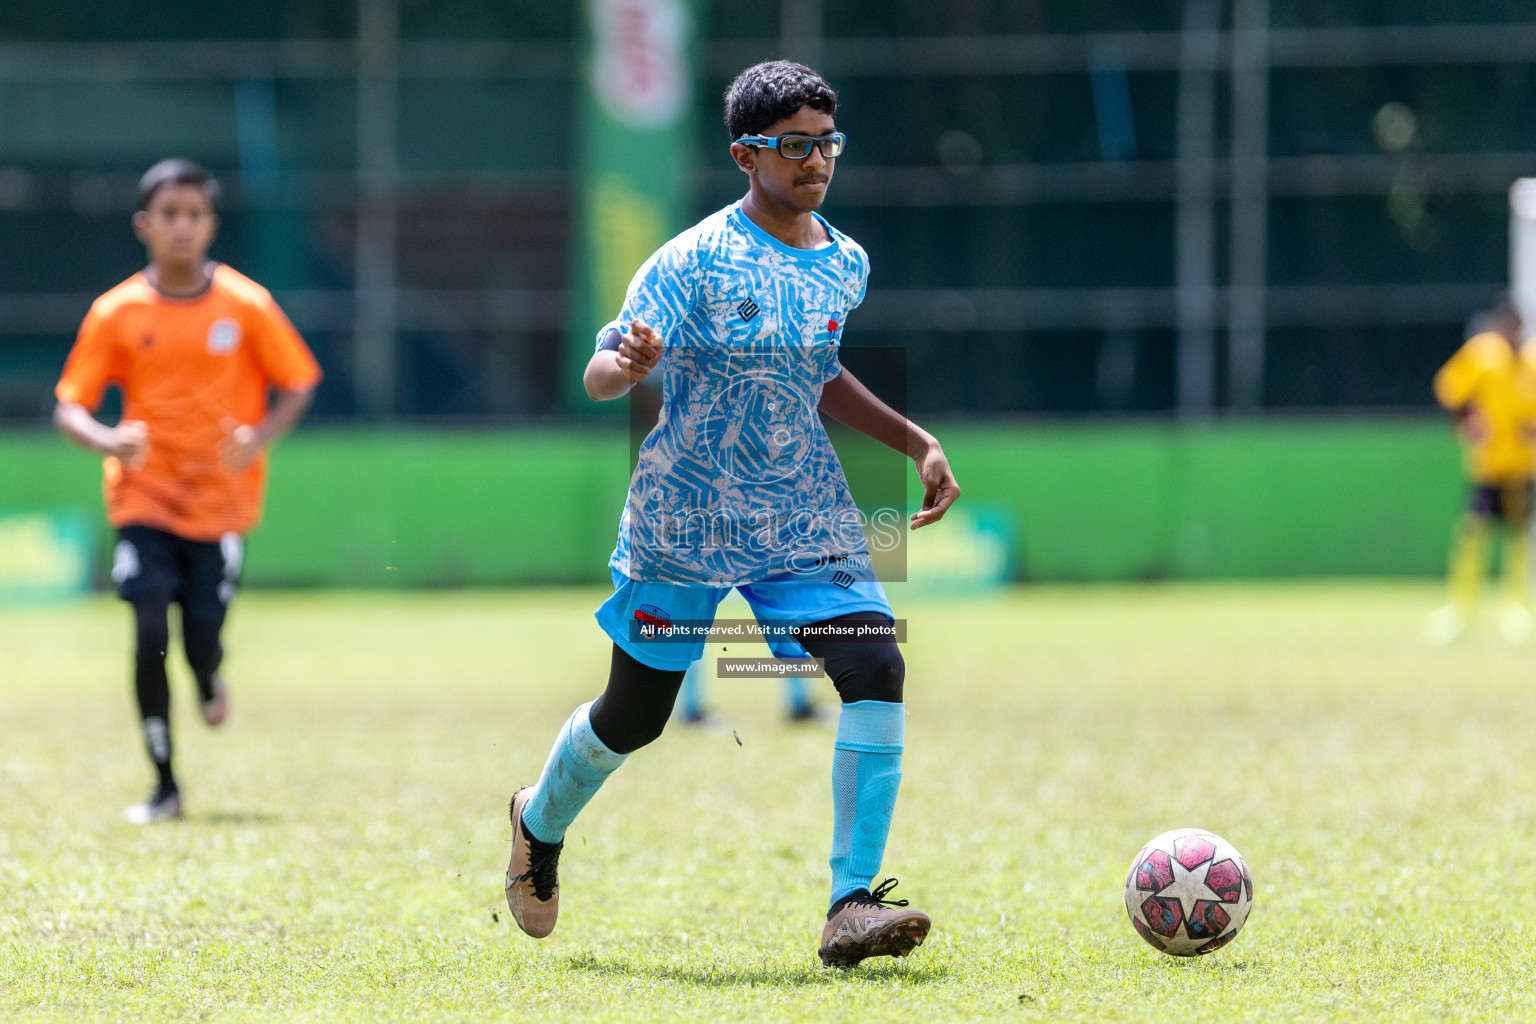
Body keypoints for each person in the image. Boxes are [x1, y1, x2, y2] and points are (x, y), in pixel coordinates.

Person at [504, 61, 960, 968]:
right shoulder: (690, 260)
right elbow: (602, 370)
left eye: (827, 142)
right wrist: (626, 365)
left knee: (876, 660)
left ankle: (851, 903)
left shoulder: (845, 260)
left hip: (802, 515)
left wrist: (915, 441)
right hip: (686, 523)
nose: (817, 160)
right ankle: (537, 823)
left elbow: (820, 371)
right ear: (746, 153)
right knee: (635, 717)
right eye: (795, 145)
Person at [53, 159, 321, 822]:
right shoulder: (115, 312)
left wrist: (258, 439)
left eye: (193, 215)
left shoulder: (246, 304)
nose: (181, 227)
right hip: (143, 497)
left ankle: (207, 676)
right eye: (168, 215)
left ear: (211, 225)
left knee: (200, 636)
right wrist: (106, 439)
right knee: (147, 628)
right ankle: (165, 783)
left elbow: (299, 380)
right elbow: (70, 405)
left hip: (218, 503)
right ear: (145, 225)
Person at [1427, 300, 1536, 644]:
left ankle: (1514, 607)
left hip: (1520, 466)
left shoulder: (1532, 361)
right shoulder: (1483, 355)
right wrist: (1468, 420)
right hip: (1487, 466)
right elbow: (1450, 388)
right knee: (1472, 534)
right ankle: (1461, 606)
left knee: (1518, 537)